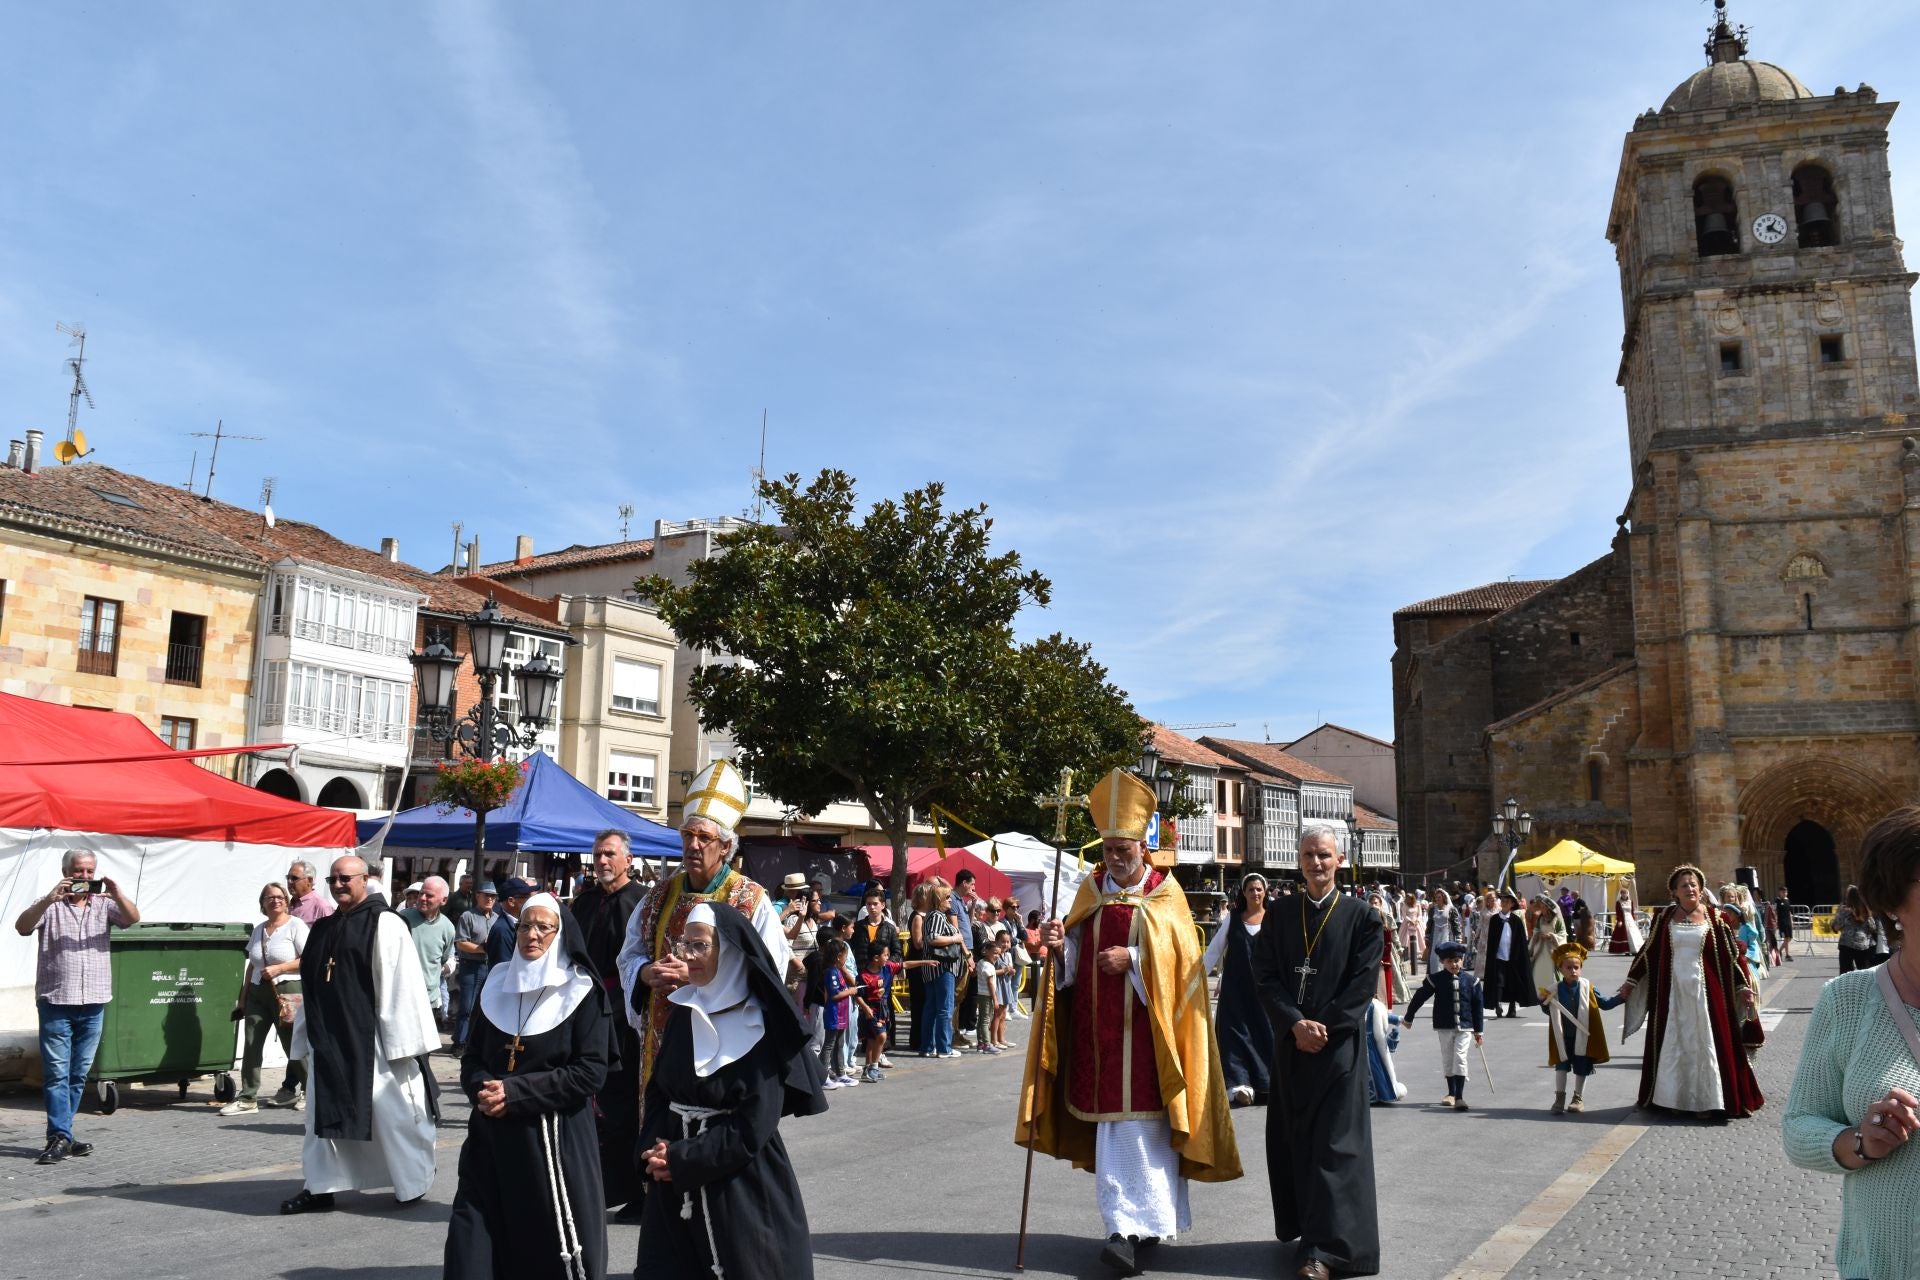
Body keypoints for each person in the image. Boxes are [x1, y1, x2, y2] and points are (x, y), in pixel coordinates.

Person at [1022, 768, 1241, 1278]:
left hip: (1151, 1042)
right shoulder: (1089, 890)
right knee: (1115, 1135)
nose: (1116, 859)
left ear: (1144, 848)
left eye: (1125, 849)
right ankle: (1120, 1229)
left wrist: (1135, 958)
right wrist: (1061, 946)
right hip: (1099, 1040)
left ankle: (1147, 1225)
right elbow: (1071, 963)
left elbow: (1186, 962)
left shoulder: (1167, 895)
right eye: (1109, 850)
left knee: (1148, 1133)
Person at [637, 902, 828, 1280]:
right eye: (684, 944)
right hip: (673, 1178)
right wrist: (654, 1151)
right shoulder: (684, 1012)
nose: (686, 956)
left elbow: (754, 1124)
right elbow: (658, 1089)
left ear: (728, 950)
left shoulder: (760, 1026)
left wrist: (683, 1159)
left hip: (740, 1185)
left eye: (699, 946)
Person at [444, 893, 615, 1280]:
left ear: (561, 934)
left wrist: (515, 1093)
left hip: (550, 1140)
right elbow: (472, 1058)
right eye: (524, 925)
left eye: (543, 927)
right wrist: (481, 1089)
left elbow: (590, 1072)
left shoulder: (581, 991)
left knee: (546, 1244)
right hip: (489, 1137)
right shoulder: (496, 983)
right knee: (474, 1234)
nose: (531, 935)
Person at [1783, 804, 1920, 1280]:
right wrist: (1860, 1141)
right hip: (1884, 1266)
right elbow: (1800, 1125)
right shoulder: (1848, 1000)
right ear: (1895, 899)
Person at [617, 759, 789, 1115]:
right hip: (662, 1037)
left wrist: (700, 978)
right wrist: (645, 973)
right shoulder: (657, 896)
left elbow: (772, 972)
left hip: (724, 1040)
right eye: (687, 835)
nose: (693, 845)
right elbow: (628, 955)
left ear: (725, 847)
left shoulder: (750, 899)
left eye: (704, 838)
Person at [1251, 822, 1383, 1278]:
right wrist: (1294, 1023)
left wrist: (1321, 1027)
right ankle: (1308, 1233)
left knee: (1334, 1148)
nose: (1316, 863)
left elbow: (1362, 985)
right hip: (1292, 1047)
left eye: (1324, 855)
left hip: (1339, 1050)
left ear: (1339, 860)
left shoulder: (1363, 917)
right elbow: (1264, 975)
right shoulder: (1280, 914)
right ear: (1299, 860)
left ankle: (1328, 1252)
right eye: (1309, 855)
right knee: (1297, 1142)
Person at [281, 854, 441, 1214]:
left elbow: (403, 985)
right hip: (329, 1042)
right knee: (319, 1119)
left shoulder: (386, 924)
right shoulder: (323, 928)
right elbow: (313, 986)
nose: (338, 884)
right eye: (333, 879)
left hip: (375, 1044)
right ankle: (320, 1187)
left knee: (393, 1115)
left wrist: (404, 1044)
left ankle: (411, 1182)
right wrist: (305, 1034)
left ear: (364, 879)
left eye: (346, 878)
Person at [14, 849, 141, 1164]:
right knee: (57, 1073)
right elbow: (22, 926)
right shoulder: (51, 905)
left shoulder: (104, 905)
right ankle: (58, 1136)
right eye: (78, 871)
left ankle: (64, 1135)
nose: (84, 877)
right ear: (65, 871)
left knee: (78, 1074)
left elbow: (133, 918)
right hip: (56, 1001)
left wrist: (117, 892)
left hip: (94, 1002)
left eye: (89, 871)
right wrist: (48, 898)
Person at [1619, 864, 1764, 1122]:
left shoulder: (1715, 918)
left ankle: (1709, 1101)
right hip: (1673, 995)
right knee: (1676, 1045)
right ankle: (1674, 1099)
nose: (1690, 888)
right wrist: (1631, 981)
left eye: (1694, 884)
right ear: (1674, 891)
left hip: (1708, 995)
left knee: (1706, 1045)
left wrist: (1743, 986)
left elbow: (1732, 955)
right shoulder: (1663, 918)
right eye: (1684, 885)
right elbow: (1648, 952)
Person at [568, 828, 649, 1218]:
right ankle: (586, 1188)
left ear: (627, 859)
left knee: (623, 1108)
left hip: (624, 1020)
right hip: (583, 1014)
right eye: (598, 854)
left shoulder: (643, 903)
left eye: (610, 854)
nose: (602, 861)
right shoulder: (583, 902)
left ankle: (636, 1190)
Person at [224, 881, 311, 1115]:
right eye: (270, 897)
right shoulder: (259, 929)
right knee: (252, 1043)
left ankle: (310, 1091)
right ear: (263, 903)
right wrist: (243, 999)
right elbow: (252, 966)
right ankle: (247, 1097)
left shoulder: (296, 926)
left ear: (287, 900)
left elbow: (309, 959)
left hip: (286, 991)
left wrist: (280, 968)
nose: (276, 900)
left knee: (292, 1044)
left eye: (280, 896)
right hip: (257, 992)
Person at [1202, 873, 1271, 1107]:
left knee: (1264, 1035)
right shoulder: (1233, 919)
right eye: (1250, 889)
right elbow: (1213, 952)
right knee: (1234, 1036)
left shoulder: (1273, 919)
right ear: (1244, 893)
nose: (1255, 893)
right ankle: (1239, 1084)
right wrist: (1195, 980)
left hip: (1264, 991)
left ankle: (1265, 1083)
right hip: (1235, 990)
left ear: (1265, 892)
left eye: (1259, 889)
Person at [1402, 940, 1484, 1112]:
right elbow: (1419, 998)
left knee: (1460, 1057)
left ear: (1462, 960)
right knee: (1448, 1058)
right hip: (1444, 1026)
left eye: (1457, 960)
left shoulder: (1472, 981)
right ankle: (1451, 1093)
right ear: (1442, 962)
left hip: (1465, 1027)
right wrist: (1409, 1017)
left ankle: (1460, 1097)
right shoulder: (1435, 980)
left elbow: (1477, 1007)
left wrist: (1479, 1031)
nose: (1454, 964)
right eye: (1449, 961)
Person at [1543, 943, 1624, 1115]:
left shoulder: (1589, 988)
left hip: (1584, 1036)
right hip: (1562, 1036)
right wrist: (1543, 1001)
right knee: (1561, 1067)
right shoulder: (1554, 990)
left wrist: (1622, 998)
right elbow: (1547, 1011)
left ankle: (1578, 1098)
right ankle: (1559, 1098)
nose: (1573, 970)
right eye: (1569, 967)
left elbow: (1605, 1004)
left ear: (1581, 968)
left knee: (1581, 1067)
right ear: (1561, 969)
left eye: (1576, 967)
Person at [917, 881, 967, 1059]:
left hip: (933, 969)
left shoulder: (931, 915)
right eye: (947, 898)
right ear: (939, 899)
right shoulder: (937, 916)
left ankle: (927, 1046)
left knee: (931, 1008)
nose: (950, 901)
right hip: (942, 968)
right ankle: (944, 1048)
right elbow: (932, 939)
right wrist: (955, 937)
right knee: (945, 1008)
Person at [400, 876, 457, 1022]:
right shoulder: (402, 918)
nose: (422, 898)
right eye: (421, 893)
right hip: (401, 996)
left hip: (428, 1000)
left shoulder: (448, 928)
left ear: (443, 900)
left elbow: (442, 960)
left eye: (429, 895)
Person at [452, 883, 497, 1052]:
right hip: (470, 966)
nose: (490, 899)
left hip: (490, 967)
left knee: (485, 1007)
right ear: (478, 896)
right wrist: (483, 948)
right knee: (467, 1007)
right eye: (486, 895)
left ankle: (475, 1041)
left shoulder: (497, 918)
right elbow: (461, 943)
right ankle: (460, 1042)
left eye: (493, 896)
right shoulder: (468, 916)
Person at [1481, 891, 1533, 1018]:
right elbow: (1492, 940)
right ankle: (1497, 1004)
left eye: (1507, 902)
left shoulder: (1516, 920)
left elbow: (1520, 940)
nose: (1504, 903)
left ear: (1512, 905)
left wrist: (1521, 956)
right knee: (1499, 981)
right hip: (1498, 956)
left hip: (1513, 958)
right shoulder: (1495, 919)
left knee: (1512, 982)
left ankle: (1512, 1007)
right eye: (1502, 901)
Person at [819, 938, 859, 1088]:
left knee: (839, 1044)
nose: (845, 960)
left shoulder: (838, 971)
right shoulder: (831, 972)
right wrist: (850, 991)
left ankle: (840, 1073)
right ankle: (823, 1076)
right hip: (834, 1014)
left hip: (841, 1014)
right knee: (829, 1044)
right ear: (838, 957)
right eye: (844, 956)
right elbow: (834, 994)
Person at [1833, 885, 1885, 974]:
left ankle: (1847, 987)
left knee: (1845, 973)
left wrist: (1845, 920)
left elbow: (1836, 927)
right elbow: (1873, 927)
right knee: (1864, 972)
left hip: (1846, 944)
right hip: (1864, 945)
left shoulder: (1844, 910)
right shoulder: (1866, 910)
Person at [1526, 895, 1567, 1001]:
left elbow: (1562, 934)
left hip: (1552, 950)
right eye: (1542, 907)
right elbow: (1536, 930)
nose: (1542, 909)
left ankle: (1553, 992)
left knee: (1551, 972)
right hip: (1541, 949)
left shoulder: (1556, 920)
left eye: (1543, 907)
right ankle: (1540, 993)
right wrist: (1537, 935)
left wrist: (1551, 936)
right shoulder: (1540, 919)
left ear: (1548, 908)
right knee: (1539, 971)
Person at [489, 878, 537, 967]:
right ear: (511, 901)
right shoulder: (502, 930)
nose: (530, 901)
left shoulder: (518, 925)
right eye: (526, 897)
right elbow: (503, 969)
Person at [1423, 888, 1463, 975]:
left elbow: (1456, 924)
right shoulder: (1433, 909)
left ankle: (1448, 974)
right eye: (1436, 897)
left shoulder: (1451, 909)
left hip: (1448, 936)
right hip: (1435, 937)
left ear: (1443, 898)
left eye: (1439, 897)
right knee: (1434, 957)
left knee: (1448, 955)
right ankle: (1435, 975)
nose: (1437, 899)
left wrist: (1458, 937)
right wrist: (1427, 936)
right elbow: (1429, 924)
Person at [287, 860, 336, 924]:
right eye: (288, 878)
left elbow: (330, 932)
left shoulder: (322, 906)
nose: (289, 881)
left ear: (309, 880)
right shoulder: (288, 904)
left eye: (294, 878)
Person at [1607, 883, 1640, 955]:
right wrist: (1619, 920)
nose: (1624, 895)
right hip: (1623, 919)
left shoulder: (1631, 902)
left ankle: (1634, 949)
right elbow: (1618, 912)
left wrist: (1634, 918)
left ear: (1627, 894)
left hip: (1630, 920)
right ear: (1621, 894)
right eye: (1623, 894)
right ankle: (1626, 950)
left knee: (1632, 934)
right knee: (1624, 935)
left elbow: (1632, 911)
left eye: (1625, 893)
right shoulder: (1618, 902)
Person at [1772, 888, 1796, 964]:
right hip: (1782, 922)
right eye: (1783, 892)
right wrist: (1775, 922)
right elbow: (1774, 911)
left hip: (1788, 921)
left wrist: (1791, 921)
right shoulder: (1777, 901)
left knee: (1789, 938)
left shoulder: (1787, 900)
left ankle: (1779, 952)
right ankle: (1787, 955)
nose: (1785, 893)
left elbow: (1789, 912)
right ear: (1779, 892)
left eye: (1786, 892)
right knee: (1786, 938)